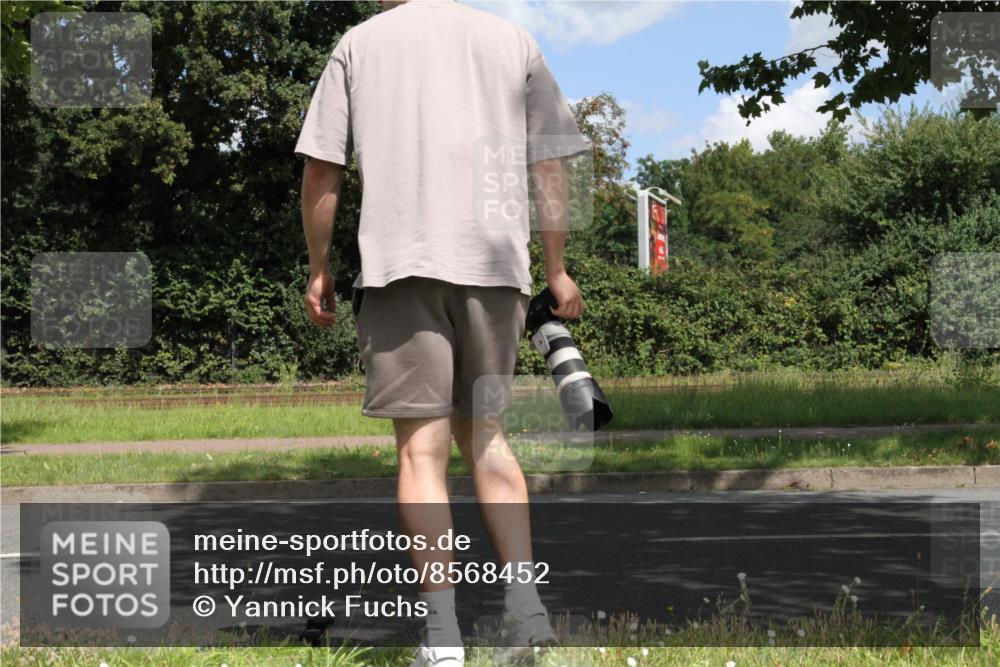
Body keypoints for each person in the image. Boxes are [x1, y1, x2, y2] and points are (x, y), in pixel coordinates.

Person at [295, 1, 590, 664]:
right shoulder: (513, 40)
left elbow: (321, 169)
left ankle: (443, 637)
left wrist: (319, 266)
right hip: (495, 271)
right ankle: (527, 615)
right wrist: (556, 267)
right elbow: (549, 164)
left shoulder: (359, 44)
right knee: (487, 439)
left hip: (401, 269)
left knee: (421, 455)